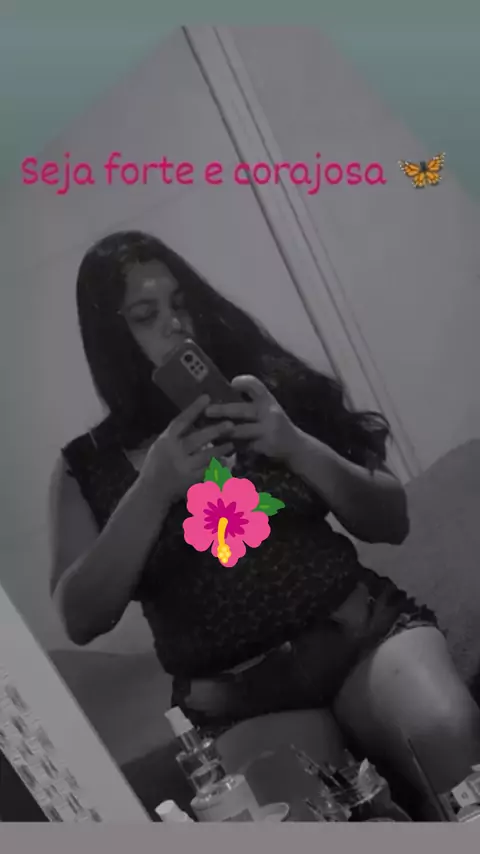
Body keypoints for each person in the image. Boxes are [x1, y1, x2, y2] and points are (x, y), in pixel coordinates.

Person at [49, 230, 480, 810]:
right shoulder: (86, 466)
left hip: (359, 637)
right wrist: (152, 489)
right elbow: (80, 616)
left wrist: (294, 444)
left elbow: (391, 519)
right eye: (146, 315)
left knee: (447, 735)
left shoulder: (264, 393)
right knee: (298, 820)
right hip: (239, 699)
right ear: (109, 337)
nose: (175, 325)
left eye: (181, 304)